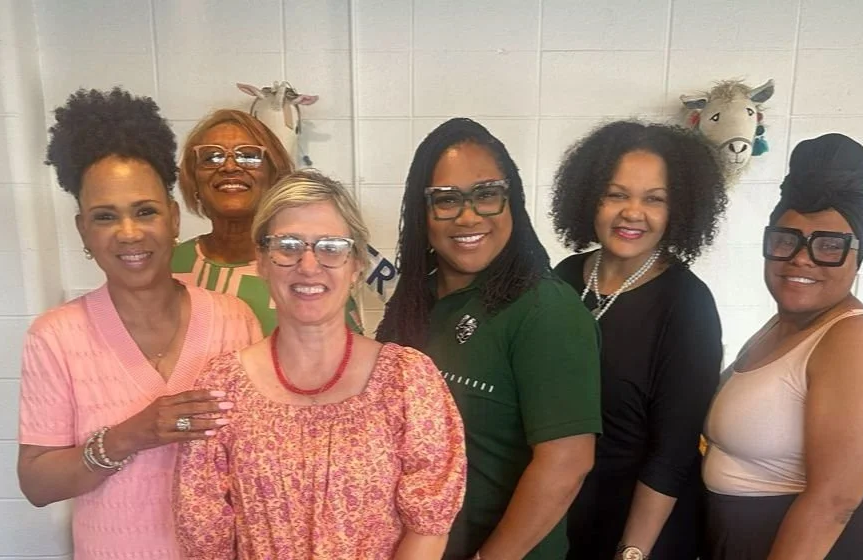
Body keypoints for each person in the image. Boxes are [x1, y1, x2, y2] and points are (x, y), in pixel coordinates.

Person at [17, 88, 261, 559]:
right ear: (83, 230)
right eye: (105, 217)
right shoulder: (56, 337)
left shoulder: (234, 321)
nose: (128, 233)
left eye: (145, 211)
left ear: (173, 219)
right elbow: (37, 483)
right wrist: (131, 435)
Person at [173, 170, 467, 559]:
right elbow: (204, 531)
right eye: (288, 246)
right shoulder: (222, 386)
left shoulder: (407, 381)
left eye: (331, 247)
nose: (309, 265)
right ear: (262, 261)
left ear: (356, 264)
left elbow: (428, 528)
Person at [376, 118, 603, 560]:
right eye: (446, 199)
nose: (468, 216)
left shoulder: (545, 309)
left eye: (486, 194)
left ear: (511, 201)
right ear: (422, 212)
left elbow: (567, 464)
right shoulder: (415, 299)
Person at [703, 133, 863, 559]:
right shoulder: (781, 327)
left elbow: (834, 503)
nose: (801, 258)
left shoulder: (859, 339)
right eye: (786, 239)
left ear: (858, 256)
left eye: (830, 246)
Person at [550, 121, 727, 560]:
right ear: (589, 197)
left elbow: (674, 451)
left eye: (654, 199)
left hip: (644, 530)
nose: (632, 212)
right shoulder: (563, 278)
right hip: (558, 516)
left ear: (679, 210)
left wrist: (632, 551)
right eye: (616, 194)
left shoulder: (687, 304)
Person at [172, 109, 362, 335]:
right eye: (212, 157)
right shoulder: (166, 267)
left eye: (249, 156)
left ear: (274, 176)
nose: (230, 167)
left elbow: (349, 353)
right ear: (193, 180)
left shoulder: (308, 271)